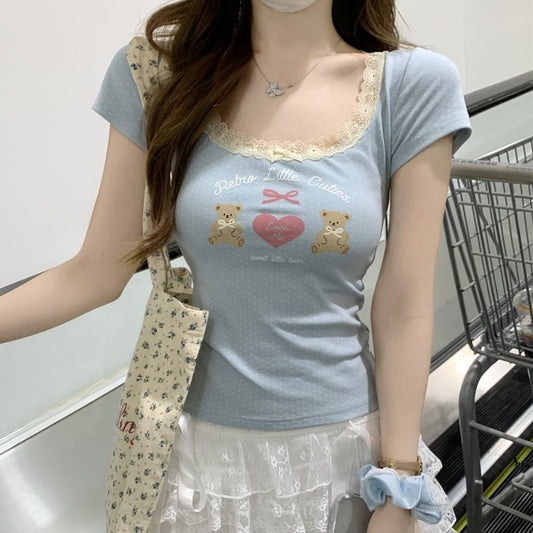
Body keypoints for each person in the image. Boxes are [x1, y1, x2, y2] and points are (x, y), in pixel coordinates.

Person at [0, 0, 472, 531]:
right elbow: (94, 273)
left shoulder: (412, 86)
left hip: (343, 459)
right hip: (198, 466)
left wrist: (399, 484)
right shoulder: (158, 75)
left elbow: (404, 308)